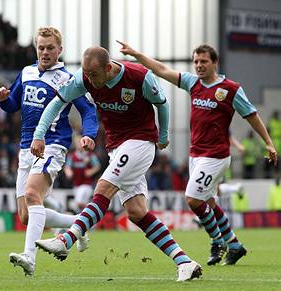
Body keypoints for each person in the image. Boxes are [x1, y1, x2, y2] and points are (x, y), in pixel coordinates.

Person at [31, 46, 201, 282]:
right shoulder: (84, 78)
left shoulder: (140, 77)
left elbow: (162, 104)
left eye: (95, 75)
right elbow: (56, 103)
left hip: (140, 142)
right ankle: (185, 262)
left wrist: (162, 136)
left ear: (108, 68)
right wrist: (39, 134)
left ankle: (65, 241)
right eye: (87, 75)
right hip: (116, 148)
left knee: (103, 188)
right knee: (136, 212)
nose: (90, 81)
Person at [118, 40, 278, 266]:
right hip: (196, 155)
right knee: (209, 202)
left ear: (215, 62)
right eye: (195, 61)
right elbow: (162, 70)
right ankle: (234, 244)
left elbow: (251, 115)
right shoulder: (193, 83)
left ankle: (217, 241)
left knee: (193, 200)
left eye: (203, 61)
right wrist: (137, 54)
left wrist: (268, 143)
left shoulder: (231, 89)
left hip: (216, 156)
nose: (199, 65)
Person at [0, 27, 98, 276]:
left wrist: (88, 135)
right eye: (41, 47)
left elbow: (88, 111)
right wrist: (2, 99)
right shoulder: (27, 72)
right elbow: (13, 104)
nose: (45, 52)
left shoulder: (68, 79)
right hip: (26, 147)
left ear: (60, 50)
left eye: (50, 47)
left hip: (52, 144)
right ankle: (78, 224)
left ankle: (29, 257)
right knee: (26, 216)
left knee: (31, 193)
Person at [64, 134, 101, 213]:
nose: (79, 145)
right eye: (77, 143)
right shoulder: (72, 156)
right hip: (76, 184)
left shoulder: (90, 155)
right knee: (81, 205)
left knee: (79, 202)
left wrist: (91, 171)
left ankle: (86, 216)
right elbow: (67, 167)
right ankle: (88, 217)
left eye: (80, 143)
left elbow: (97, 166)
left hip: (87, 184)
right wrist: (68, 173)